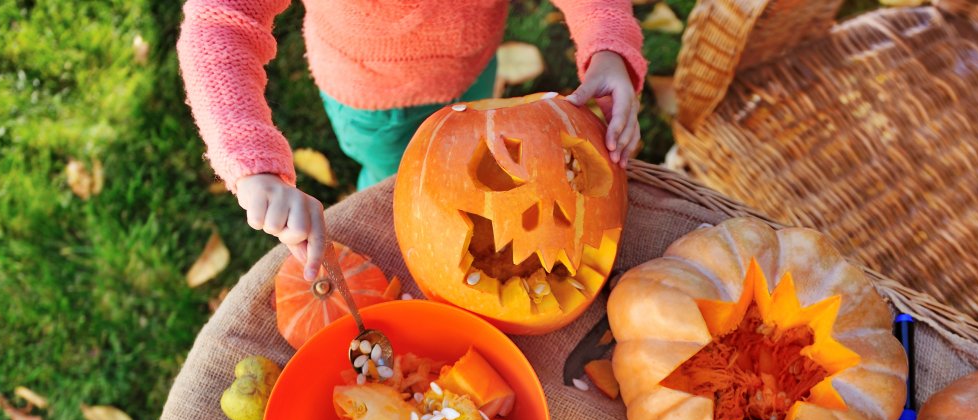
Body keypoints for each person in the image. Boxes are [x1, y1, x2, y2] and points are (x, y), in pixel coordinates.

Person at [178, 0, 647, 281]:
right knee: (401, 197)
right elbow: (221, 23)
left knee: (486, 172)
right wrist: (253, 164)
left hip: (473, 71)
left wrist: (607, 43)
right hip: (377, 103)